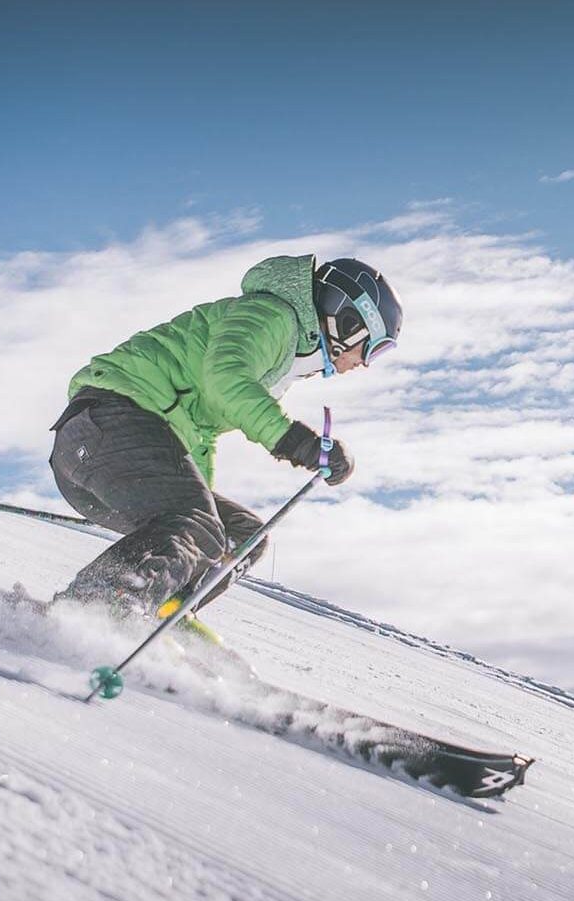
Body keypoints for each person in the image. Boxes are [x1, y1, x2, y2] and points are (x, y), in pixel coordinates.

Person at [49, 254, 403, 625]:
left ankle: (165, 613)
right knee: (197, 522)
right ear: (348, 322)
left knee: (242, 535)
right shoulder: (272, 316)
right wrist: (298, 442)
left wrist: (200, 514)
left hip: (104, 450)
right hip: (109, 425)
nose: (365, 363)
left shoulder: (284, 351)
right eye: (373, 348)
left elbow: (197, 434)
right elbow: (225, 381)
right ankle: (97, 610)